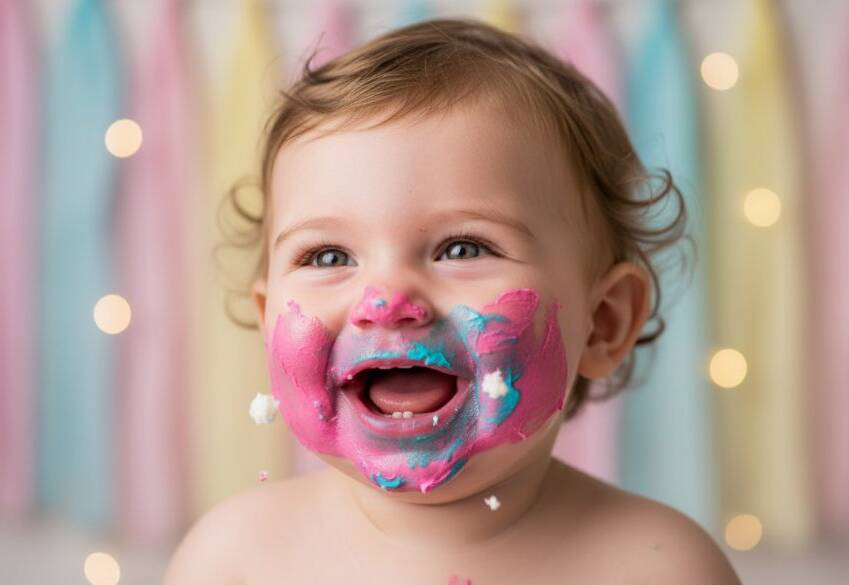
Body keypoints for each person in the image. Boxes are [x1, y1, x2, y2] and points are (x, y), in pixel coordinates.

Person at [164, 17, 741, 585]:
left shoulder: (660, 567)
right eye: (329, 256)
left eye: (462, 248)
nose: (387, 300)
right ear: (267, 323)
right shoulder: (233, 560)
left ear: (604, 322)